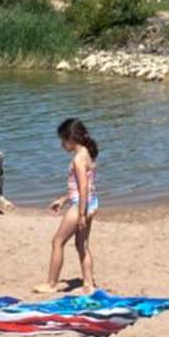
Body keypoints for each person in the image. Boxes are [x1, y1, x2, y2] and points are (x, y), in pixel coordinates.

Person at [37, 119, 100, 296]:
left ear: (71, 139)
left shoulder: (79, 159)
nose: (62, 145)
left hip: (81, 205)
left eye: (62, 141)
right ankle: (88, 283)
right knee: (82, 244)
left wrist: (81, 214)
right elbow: (84, 186)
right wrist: (63, 200)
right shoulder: (87, 154)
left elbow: (83, 187)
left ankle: (51, 283)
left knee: (57, 242)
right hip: (90, 203)